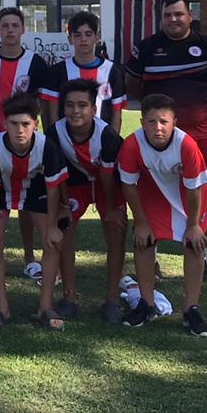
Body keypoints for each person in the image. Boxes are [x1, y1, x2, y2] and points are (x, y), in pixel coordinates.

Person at [125, 0, 207, 288]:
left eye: (179, 14)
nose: (173, 20)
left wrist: (195, 110)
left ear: (190, 15)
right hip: (158, 135)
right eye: (167, 15)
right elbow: (134, 86)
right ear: (160, 18)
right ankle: (151, 257)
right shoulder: (146, 49)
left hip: (201, 132)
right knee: (152, 193)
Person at [118, 93, 207, 337]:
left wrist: (193, 225)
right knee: (143, 241)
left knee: (194, 244)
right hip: (154, 197)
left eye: (164, 121)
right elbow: (128, 185)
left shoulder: (186, 145)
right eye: (151, 122)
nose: (158, 127)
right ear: (142, 123)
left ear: (174, 123)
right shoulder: (131, 145)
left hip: (189, 199)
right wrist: (140, 222)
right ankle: (146, 305)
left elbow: (194, 188)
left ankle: (191, 309)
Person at [0, 6, 51, 284]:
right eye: (5, 26)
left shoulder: (36, 63)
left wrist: (44, 138)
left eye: (15, 25)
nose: (10, 30)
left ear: (23, 30)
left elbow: (42, 105)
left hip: (25, 146)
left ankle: (30, 259)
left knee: (26, 201)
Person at [0, 91, 68, 330]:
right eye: (14, 124)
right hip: (2, 193)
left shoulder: (47, 146)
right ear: (4, 123)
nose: (19, 130)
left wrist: (52, 226)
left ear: (35, 124)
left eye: (25, 124)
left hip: (36, 192)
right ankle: (2, 308)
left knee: (52, 241)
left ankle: (45, 306)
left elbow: (53, 189)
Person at [51, 78, 125, 323]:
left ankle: (112, 299)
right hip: (75, 184)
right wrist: (63, 207)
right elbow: (58, 174)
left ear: (93, 109)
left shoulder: (107, 135)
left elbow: (108, 176)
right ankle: (69, 297)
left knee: (115, 231)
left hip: (108, 186)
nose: (76, 111)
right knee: (64, 231)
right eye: (70, 105)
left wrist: (112, 208)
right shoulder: (55, 132)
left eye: (82, 105)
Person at [42, 10, 125, 133]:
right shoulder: (58, 71)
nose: (83, 39)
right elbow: (52, 112)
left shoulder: (112, 71)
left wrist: (113, 141)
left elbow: (116, 113)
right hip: (66, 141)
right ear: (70, 39)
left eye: (88, 34)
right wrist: (56, 139)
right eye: (78, 35)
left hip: (102, 141)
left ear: (96, 38)